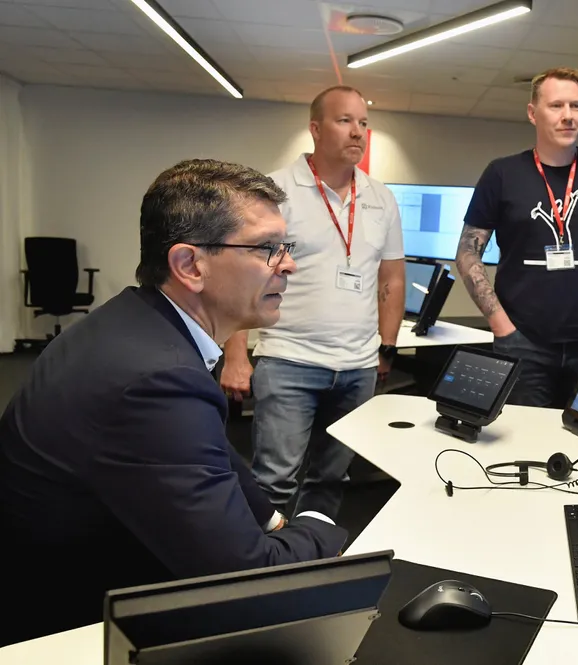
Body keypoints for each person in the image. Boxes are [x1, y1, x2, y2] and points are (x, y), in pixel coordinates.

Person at [0, 159, 348, 646]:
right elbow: (245, 577)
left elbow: (209, 451)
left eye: (285, 247)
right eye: (267, 248)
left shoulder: (135, 321)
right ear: (189, 265)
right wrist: (319, 525)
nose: (288, 264)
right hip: (67, 623)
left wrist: (269, 516)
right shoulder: (159, 379)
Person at [220, 86, 405, 520]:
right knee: (275, 479)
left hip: (358, 367)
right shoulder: (275, 192)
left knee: (331, 478)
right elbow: (244, 275)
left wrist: (387, 346)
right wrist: (236, 356)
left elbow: (392, 277)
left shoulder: (380, 197)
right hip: (290, 359)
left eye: (363, 122)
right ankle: (261, 556)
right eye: (345, 120)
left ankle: (314, 550)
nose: (357, 131)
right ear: (316, 129)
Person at [456, 67, 578, 408]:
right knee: (523, 438)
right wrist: (500, 325)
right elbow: (467, 252)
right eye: (556, 105)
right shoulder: (502, 174)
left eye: (576, 106)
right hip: (522, 343)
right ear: (533, 113)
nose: (568, 115)